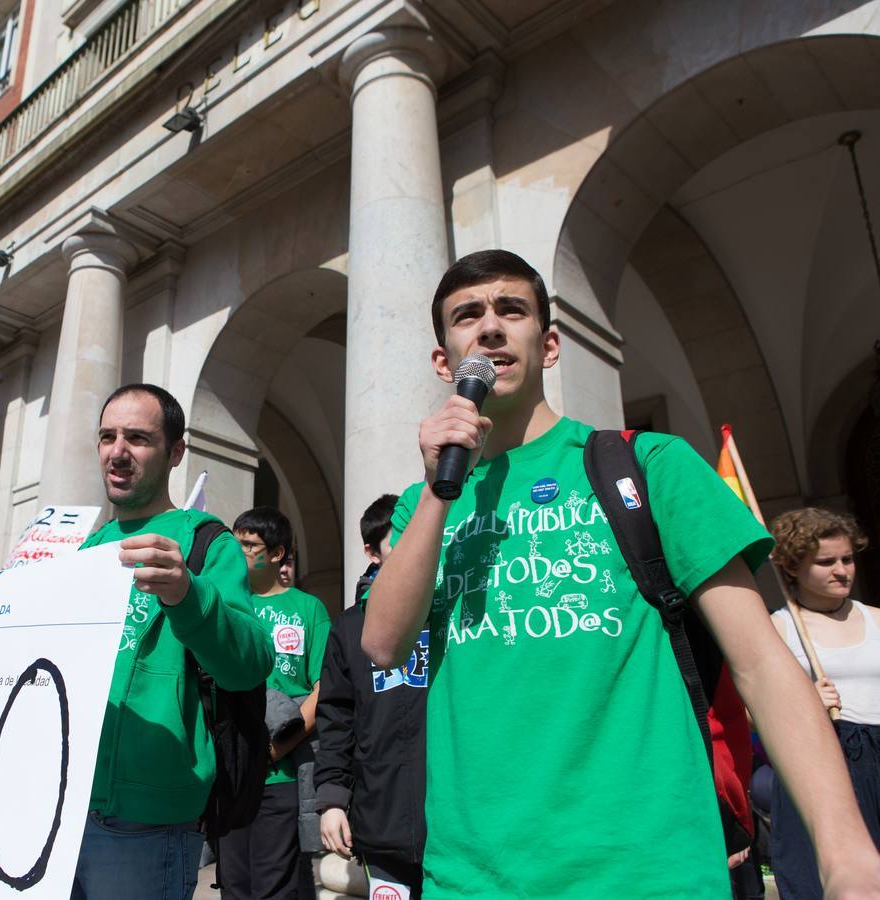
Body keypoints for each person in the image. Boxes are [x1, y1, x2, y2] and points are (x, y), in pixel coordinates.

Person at [361, 249, 880, 898]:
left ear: (548, 345)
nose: (490, 326)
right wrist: (441, 488)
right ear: (445, 361)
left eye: (511, 310)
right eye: (467, 315)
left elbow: (761, 663)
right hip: (473, 877)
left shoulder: (649, 465)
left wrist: (845, 851)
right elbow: (383, 643)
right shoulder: (422, 507)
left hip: (647, 868)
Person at [72, 383, 273, 899]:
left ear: (176, 452)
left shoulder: (207, 540)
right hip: (61, 808)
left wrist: (187, 593)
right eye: (107, 436)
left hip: (150, 824)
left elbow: (250, 663)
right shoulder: (82, 550)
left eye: (138, 438)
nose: (117, 451)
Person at [314, 494, 428, 900]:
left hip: (455, 823)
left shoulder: (450, 609)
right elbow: (336, 721)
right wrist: (331, 802)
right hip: (380, 823)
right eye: (399, 541)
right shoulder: (348, 629)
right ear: (371, 551)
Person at [766, 508, 880, 899]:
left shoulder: (877, 619)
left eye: (847, 559)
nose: (842, 570)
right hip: (821, 763)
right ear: (794, 567)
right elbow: (750, 714)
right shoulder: (776, 630)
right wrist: (801, 701)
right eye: (826, 562)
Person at [218, 507, 330, 900]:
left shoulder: (308, 609)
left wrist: (275, 747)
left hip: (280, 777)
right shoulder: (223, 604)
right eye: (235, 543)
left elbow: (325, 690)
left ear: (278, 553)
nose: (239, 552)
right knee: (234, 887)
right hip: (229, 776)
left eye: (249, 545)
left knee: (274, 888)